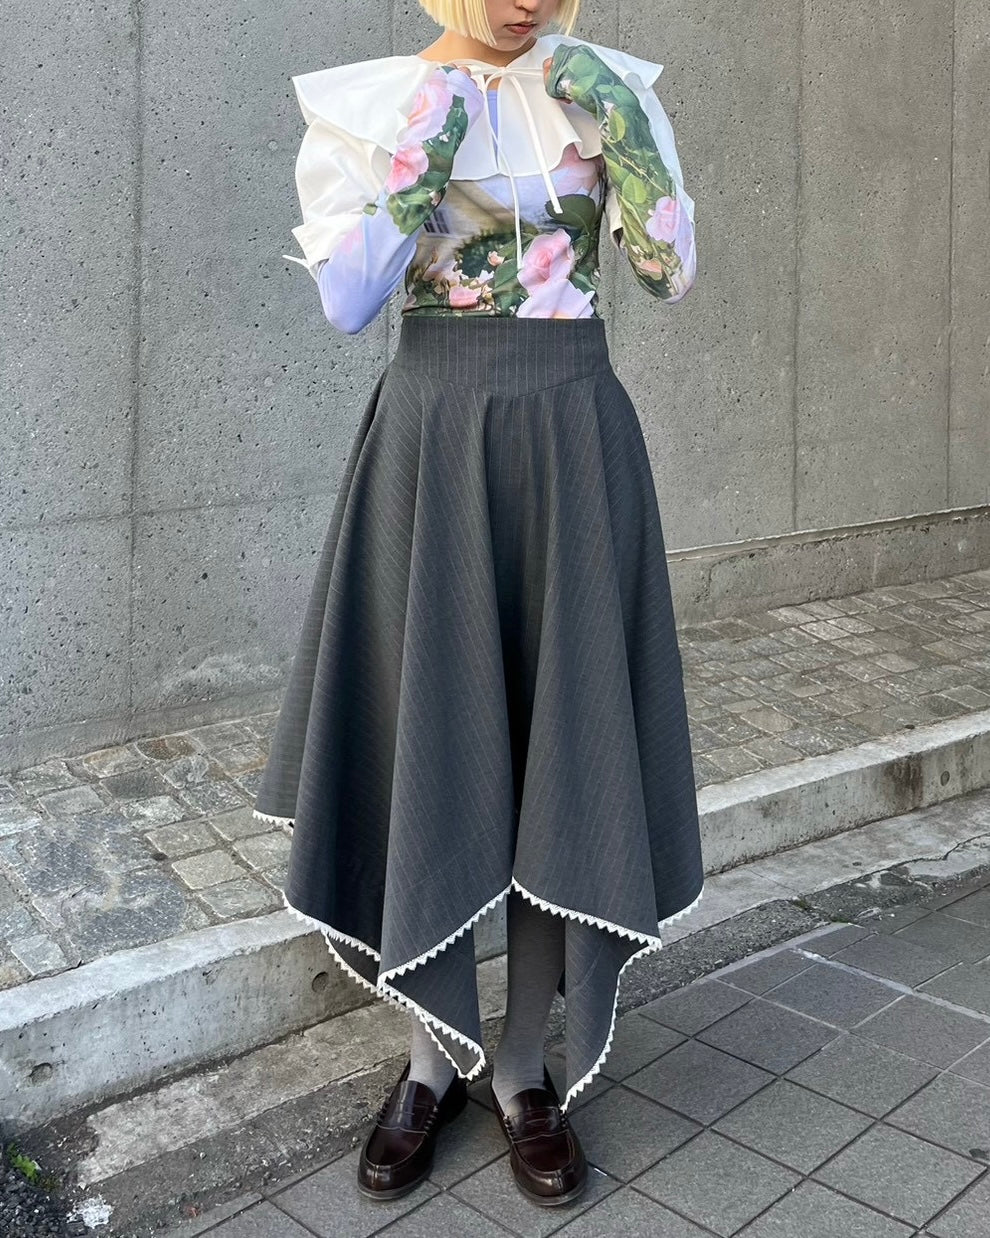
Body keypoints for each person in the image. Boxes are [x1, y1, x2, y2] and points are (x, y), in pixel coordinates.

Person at [252, 0, 706, 1208]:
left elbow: (666, 273)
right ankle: (428, 1058)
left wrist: (626, 133)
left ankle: (521, 1066)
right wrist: (426, 144)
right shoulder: (375, 105)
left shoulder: (607, 85)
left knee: (565, 747)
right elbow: (349, 302)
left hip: (575, 441)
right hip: (435, 445)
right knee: (438, 740)